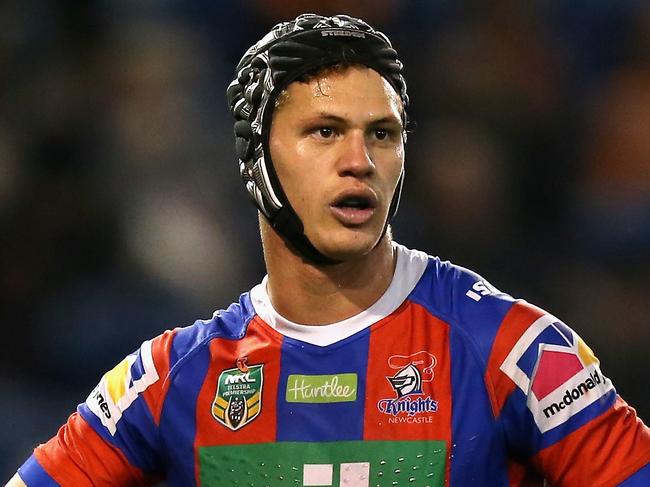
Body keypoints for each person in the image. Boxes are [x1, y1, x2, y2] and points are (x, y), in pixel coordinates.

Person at [7, 13, 650, 487]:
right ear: (255, 158)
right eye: (323, 131)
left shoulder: (512, 349)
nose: (359, 161)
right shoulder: (172, 378)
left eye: (383, 133)